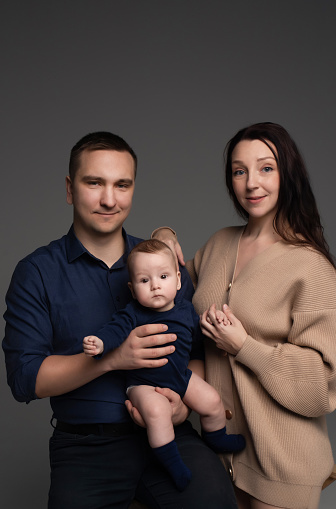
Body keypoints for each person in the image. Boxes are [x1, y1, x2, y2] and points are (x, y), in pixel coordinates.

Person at [2, 131, 238, 509]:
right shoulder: (37, 272)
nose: (109, 199)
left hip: (171, 433)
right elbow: (24, 379)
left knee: (214, 500)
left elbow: (196, 352)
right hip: (85, 448)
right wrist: (112, 360)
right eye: (94, 182)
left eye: (121, 184)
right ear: (69, 188)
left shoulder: (162, 267)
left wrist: (180, 401)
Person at [154, 122, 336, 509]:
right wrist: (163, 236)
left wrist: (244, 347)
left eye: (266, 168)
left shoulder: (312, 268)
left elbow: (323, 385)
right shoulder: (220, 242)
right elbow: (163, 294)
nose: (251, 183)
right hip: (217, 459)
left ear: (288, 174)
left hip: (283, 466)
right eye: (240, 171)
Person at [83, 238, 245, 491]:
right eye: (144, 281)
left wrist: (217, 333)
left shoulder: (185, 310)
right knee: (158, 414)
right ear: (133, 288)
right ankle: (171, 461)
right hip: (142, 385)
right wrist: (101, 343)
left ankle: (217, 438)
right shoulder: (132, 313)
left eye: (164, 277)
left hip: (180, 376)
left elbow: (197, 338)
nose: (155, 286)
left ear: (179, 280)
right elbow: (115, 330)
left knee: (212, 401)